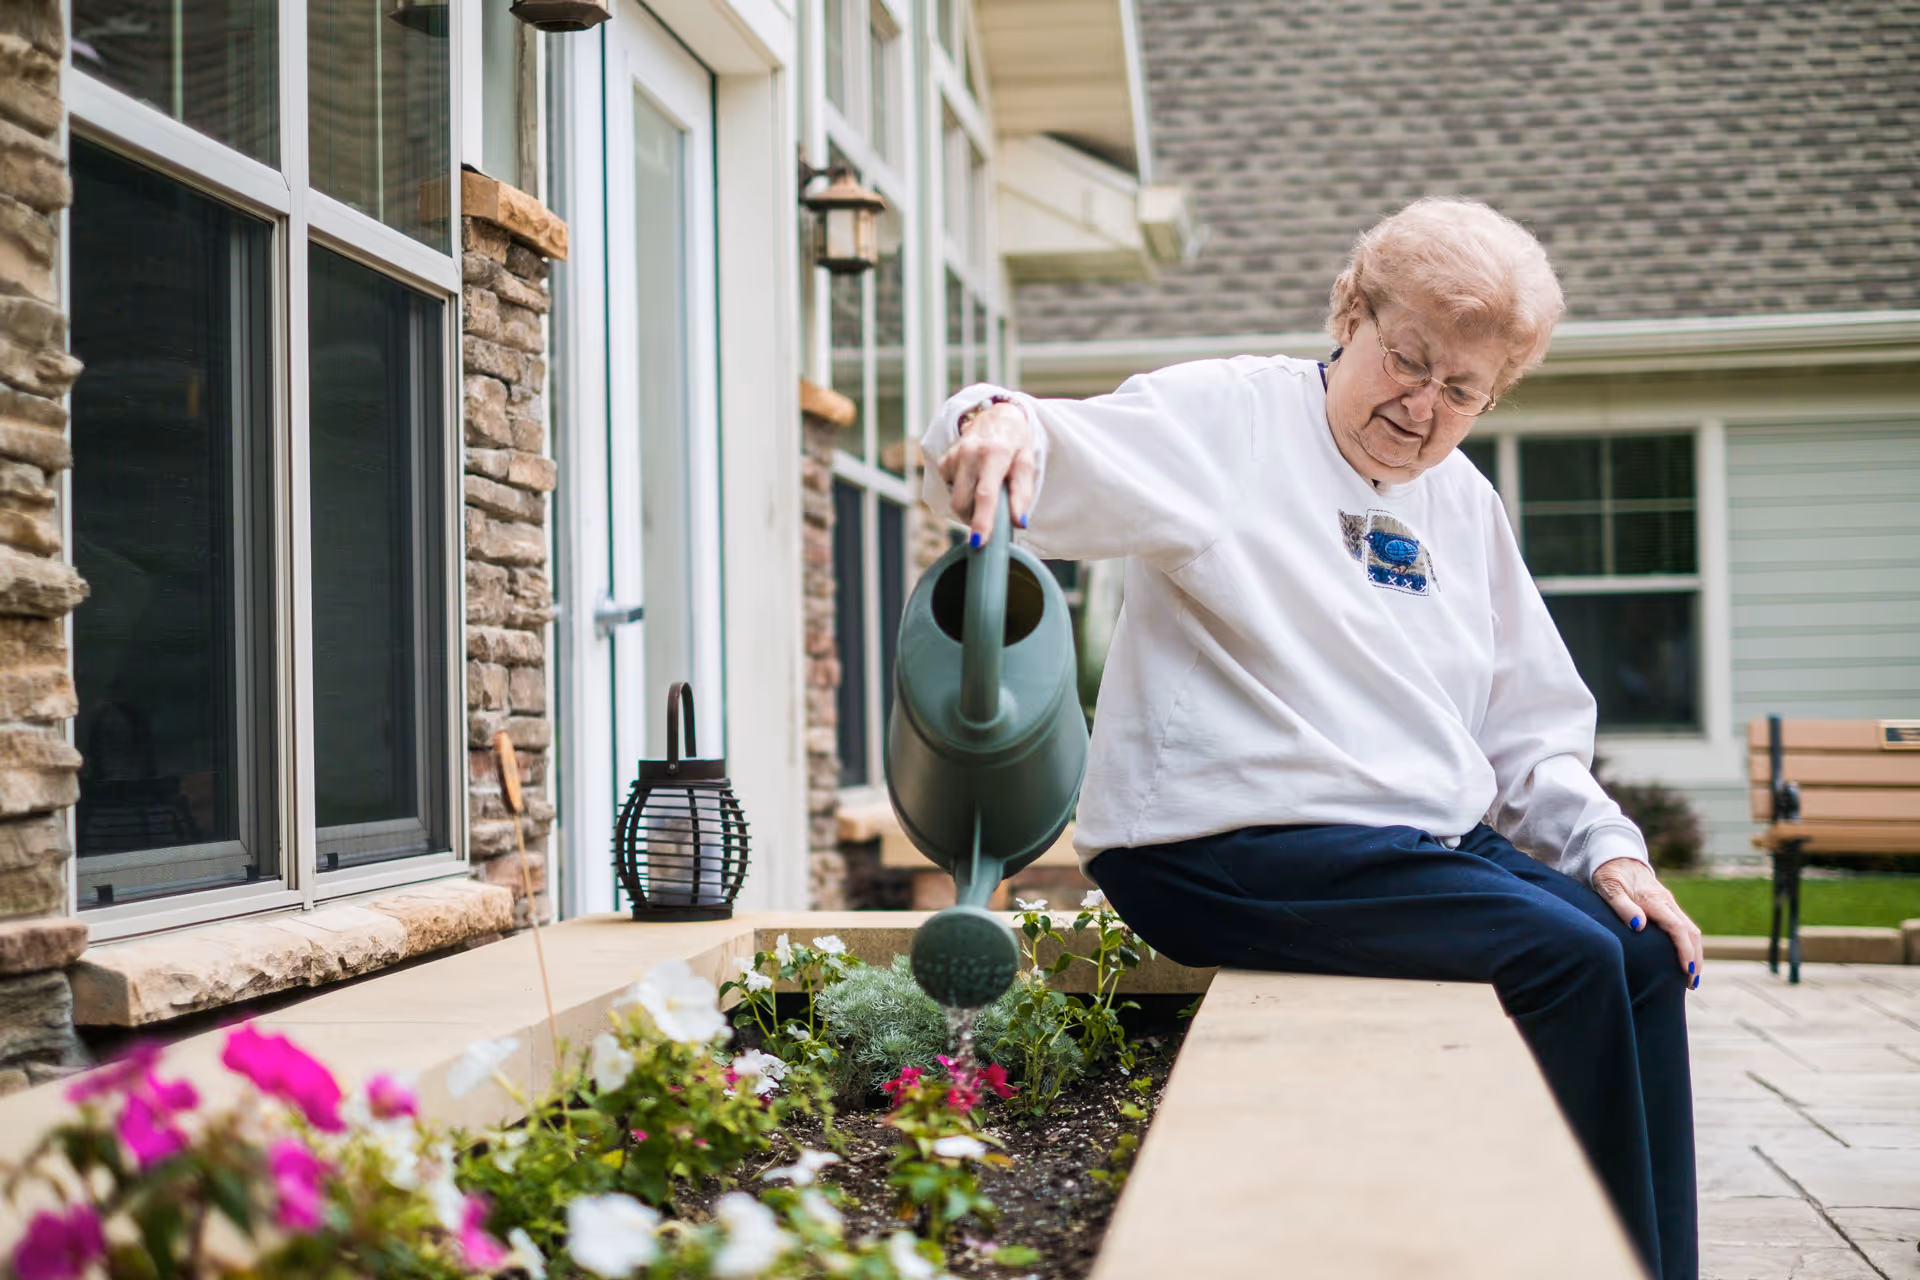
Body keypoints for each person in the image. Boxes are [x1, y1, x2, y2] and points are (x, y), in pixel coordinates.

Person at [921, 197, 1701, 1280]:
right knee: (1565, 962)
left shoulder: (1462, 505)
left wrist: (1608, 849)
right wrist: (992, 421)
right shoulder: (1232, 420)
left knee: (1643, 951)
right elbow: (1041, 435)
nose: (1423, 404)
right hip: (1221, 842)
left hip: (1411, 849)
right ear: (1351, 309)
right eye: (1409, 358)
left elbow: (1531, 729)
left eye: (1462, 390)